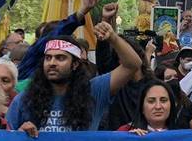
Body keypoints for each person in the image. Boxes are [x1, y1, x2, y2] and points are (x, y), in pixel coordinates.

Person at [8, 21, 142, 135]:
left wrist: (113, 38)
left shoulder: (94, 91)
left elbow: (133, 65)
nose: (52, 63)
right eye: (48, 58)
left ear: (75, 64)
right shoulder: (24, 100)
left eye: (60, 58)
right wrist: (19, 136)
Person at [118, 80, 192, 134]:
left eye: (163, 101)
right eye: (151, 101)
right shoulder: (124, 132)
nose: (158, 106)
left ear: (171, 105)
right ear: (142, 107)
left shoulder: (182, 135)